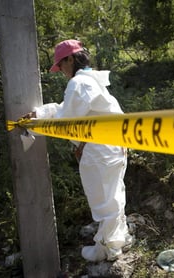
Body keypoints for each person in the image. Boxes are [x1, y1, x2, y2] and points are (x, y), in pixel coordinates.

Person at [22, 39, 132, 262]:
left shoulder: (79, 84)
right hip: (114, 146)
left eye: (61, 65)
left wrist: (37, 123)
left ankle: (106, 248)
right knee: (114, 195)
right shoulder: (91, 82)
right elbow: (67, 109)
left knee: (104, 200)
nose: (61, 71)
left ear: (70, 59)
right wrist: (41, 114)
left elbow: (66, 121)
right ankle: (119, 238)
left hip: (101, 149)